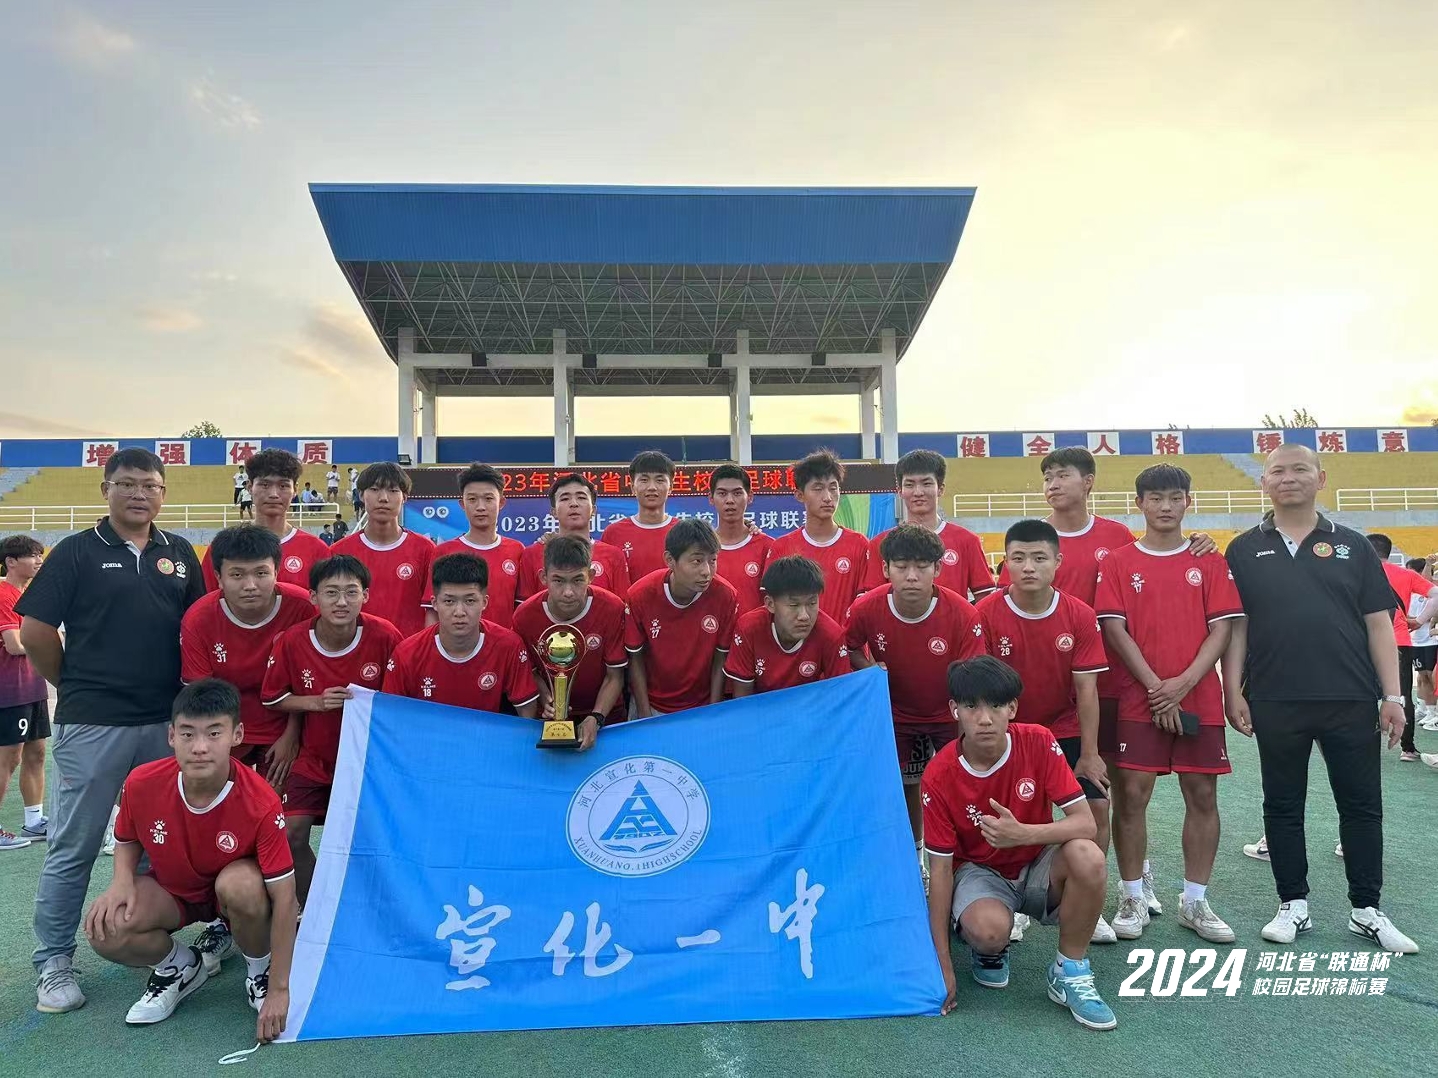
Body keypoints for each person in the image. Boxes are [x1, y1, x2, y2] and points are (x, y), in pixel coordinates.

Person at [19, 446, 206, 1014]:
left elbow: (198, 627)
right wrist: (74, 683)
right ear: (106, 489)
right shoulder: (76, 551)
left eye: (150, 485)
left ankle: (155, 947)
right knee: (75, 843)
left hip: (164, 723)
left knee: (157, 843)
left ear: (163, 493)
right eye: (127, 483)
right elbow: (36, 632)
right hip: (93, 722)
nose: (139, 494)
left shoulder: (179, 553)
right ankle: (53, 960)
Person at [998, 445, 1216, 917]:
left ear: (1089, 482)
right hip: (1041, 686)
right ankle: (1030, 886)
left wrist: (1201, 541)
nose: (1054, 484)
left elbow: (1158, 554)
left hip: (1106, 684)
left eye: (1063, 475)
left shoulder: (1116, 536)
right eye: (1047, 477)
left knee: (1116, 787)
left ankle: (1132, 880)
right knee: (1034, 789)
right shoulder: (1030, 540)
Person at [1222, 443, 1417, 953]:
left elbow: (1379, 624)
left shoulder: (1353, 545)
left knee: (1361, 805)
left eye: (1299, 469)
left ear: (1321, 478)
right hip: (1274, 698)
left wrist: (1392, 695)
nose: (1288, 478)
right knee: (1282, 803)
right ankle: (1293, 904)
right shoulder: (1242, 549)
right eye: (1278, 471)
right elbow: (1237, 627)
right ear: (1264, 482)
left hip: (1350, 698)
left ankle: (1366, 909)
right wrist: (1232, 690)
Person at [82, 679, 296, 1039]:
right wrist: (120, 882)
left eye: (214, 733)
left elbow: (285, 898)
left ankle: (259, 970)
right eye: (187, 734)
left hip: (233, 898)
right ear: (171, 736)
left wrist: (279, 989)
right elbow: (127, 838)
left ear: (237, 734)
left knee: (241, 885)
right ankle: (180, 966)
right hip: (174, 892)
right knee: (107, 928)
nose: (199, 747)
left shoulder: (261, 801)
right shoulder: (141, 782)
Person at [922, 656, 1116, 1031]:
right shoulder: (939, 774)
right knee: (988, 932)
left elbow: (1086, 823)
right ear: (954, 710)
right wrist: (941, 965)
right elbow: (941, 871)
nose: (984, 718)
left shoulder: (1039, 741)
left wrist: (1023, 835)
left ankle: (1069, 970)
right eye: (971, 706)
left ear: (1012, 708)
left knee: (1088, 856)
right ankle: (987, 950)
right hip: (979, 871)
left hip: (1038, 861)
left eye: (996, 706)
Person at [1095, 465, 1243, 945]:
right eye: (1155, 498)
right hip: (1139, 697)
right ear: (1139, 503)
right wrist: (1157, 687)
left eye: (1174, 497)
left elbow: (1222, 629)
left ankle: (1194, 900)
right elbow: (1114, 629)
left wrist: (1183, 684)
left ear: (1187, 502)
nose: (1165, 506)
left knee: (1202, 795)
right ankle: (1132, 895)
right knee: (1131, 795)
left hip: (1198, 695)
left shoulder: (1210, 561)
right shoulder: (1118, 561)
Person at [976, 519, 1115, 945]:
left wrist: (1089, 753)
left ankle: (1087, 899)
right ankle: (1010, 898)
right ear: (1005, 563)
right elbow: (984, 691)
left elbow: (1086, 690)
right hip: (1010, 732)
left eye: (1039, 558)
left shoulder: (1079, 614)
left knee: (1097, 809)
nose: (1028, 567)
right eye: (1018, 558)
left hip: (1064, 729)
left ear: (1058, 561)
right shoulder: (986, 613)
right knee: (1008, 812)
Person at [261, 556, 402, 905]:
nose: (341, 602)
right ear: (313, 597)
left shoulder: (385, 635)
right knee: (291, 834)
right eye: (331, 592)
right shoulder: (293, 640)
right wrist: (316, 702)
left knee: (373, 838)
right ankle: (318, 907)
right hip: (313, 757)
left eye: (351, 592)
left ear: (365, 595)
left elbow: (401, 700)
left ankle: (367, 906)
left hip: (367, 762)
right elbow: (273, 698)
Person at [846, 524, 986, 856]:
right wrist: (870, 670)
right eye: (901, 566)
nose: (911, 576)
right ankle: (914, 859)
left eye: (922, 567)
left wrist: (964, 728)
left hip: (947, 715)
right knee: (900, 787)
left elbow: (972, 679)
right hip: (895, 715)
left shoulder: (963, 614)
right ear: (885, 569)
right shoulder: (866, 608)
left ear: (937, 569)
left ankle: (966, 858)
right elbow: (849, 648)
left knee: (961, 784)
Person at [181, 525, 313, 793]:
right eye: (237, 575)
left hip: (284, 727)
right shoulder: (198, 619)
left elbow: (307, 683)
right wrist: (220, 744)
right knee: (218, 801)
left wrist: (292, 735)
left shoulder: (302, 608)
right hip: (225, 727)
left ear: (277, 571)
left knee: (277, 809)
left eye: (261, 573)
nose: (250, 585)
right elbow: (203, 698)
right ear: (218, 577)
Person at [382, 554, 540, 716]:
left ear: (484, 602)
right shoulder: (406, 654)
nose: (459, 612)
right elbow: (390, 716)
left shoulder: (509, 646)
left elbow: (526, 712)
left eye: (469, 601)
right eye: (449, 601)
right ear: (434, 603)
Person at [512, 536, 628, 743]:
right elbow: (530, 671)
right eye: (558, 580)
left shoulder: (612, 608)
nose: (568, 592)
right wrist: (545, 695)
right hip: (548, 721)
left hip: (607, 718)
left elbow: (615, 675)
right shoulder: (524, 617)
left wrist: (597, 717)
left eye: (577, 580)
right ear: (543, 577)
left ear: (590, 576)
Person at [624, 519, 738, 717]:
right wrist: (645, 714)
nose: (707, 571)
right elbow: (636, 658)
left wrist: (713, 711)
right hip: (651, 704)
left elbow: (720, 659)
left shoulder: (726, 596)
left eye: (712, 560)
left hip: (702, 706)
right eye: (697, 561)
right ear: (670, 560)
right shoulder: (640, 595)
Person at [866, 449, 995, 601]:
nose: (918, 492)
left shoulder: (967, 541)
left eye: (926, 483)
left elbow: (985, 599)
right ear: (899, 491)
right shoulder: (879, 543)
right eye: (910, 484)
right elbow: (871, 601)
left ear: (940, 489)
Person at [203, 448, 331, 591]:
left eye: (283, 486)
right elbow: (208, 600)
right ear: (250, 487)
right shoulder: (222, 547)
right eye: (265, 485)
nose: (274, 494)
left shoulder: (316, 549)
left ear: (295, 490)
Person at [330, 462, 435, 636]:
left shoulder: (425, 550)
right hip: (357, 647)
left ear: (404, 497)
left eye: (393, 490)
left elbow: (433, 610)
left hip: (408, 647)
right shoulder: (339, 552)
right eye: (374, 489)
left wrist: (422, 648)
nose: (383, 498)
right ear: (361, 495)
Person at [725, 555, 848, 696]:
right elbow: (743, 699)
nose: (804, 616)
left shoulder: (832, 635)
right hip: (761, 707)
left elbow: (841, 694)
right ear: (770, 604)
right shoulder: (748, 629)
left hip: (810, 706)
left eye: (812, 603)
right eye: (794, 605)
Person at [771, 449, 870, 622]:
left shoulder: (859, 544)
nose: (827, 497)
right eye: (818, 488)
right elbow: (773, 607)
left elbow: (866, 606)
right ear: (800, 495)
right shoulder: (781, 547)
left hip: (846, 639)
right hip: (797, 640)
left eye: (833, 488)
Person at [426, 464, 525, 628]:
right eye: (472, 499)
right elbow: (432, 610)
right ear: (462, 504)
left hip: (502, 642)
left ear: (501, 502)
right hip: (456, 642)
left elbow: (522, 610)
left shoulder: (517, 550)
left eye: (488, 499)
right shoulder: (444, 551)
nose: (480, 507)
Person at [1, 535, 49, 851]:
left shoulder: (28, 595)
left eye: (40, 555)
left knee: (37, 753)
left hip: (32, 685)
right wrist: (48, 641)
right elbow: (15, 644)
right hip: (9, 689)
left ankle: (34, 821)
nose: (39, 561)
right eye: (33, 555)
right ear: (11, 561)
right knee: (8, 759)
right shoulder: (3, 594)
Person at [1367, 534, 1433, 762]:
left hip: (1366, 640)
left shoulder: (1359, 572)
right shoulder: (1407, 574)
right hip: (1400, 640)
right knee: (1402, 694)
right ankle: (1408, 748)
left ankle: (1365, 745)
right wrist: (1420, 620)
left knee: (1364, 693)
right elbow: (1435, 595)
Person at [517, 474, 629, 602]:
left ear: (593, 510)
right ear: (553, 512)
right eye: (565, 499)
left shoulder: (613, 555)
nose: (574, 504)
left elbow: (621, 606)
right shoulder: (532, 554)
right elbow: (525, 608)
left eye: (581, 497)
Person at [601, 450, 676, 581]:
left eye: (659, 480)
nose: (652, 487)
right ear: (632, 487)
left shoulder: (684, 532)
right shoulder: (613, 533)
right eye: (644, 480)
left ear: (670, 487)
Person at [709, 464, 773, 614]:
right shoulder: (701, 548)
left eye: (737, 493)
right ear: (711, 498)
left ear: (749, 497)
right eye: (722, 493)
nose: (730, 500)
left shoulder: (768, 547)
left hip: (756, 629)